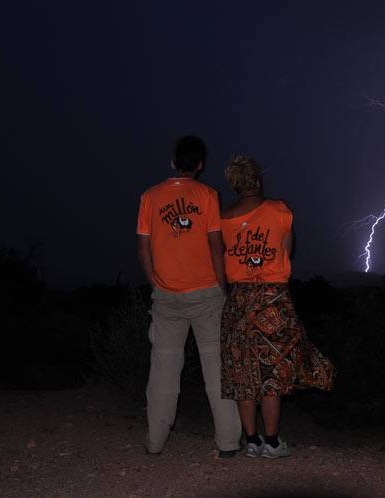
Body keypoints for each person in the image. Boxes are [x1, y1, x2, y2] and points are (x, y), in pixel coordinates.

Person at [220, 155, 335, 459]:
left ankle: (252, 441)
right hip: (273, 299)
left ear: (233, 183)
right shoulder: (279, 210)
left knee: (244, 373)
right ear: (257, 180)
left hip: (239, 300)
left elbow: (222, 256)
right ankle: (272, 442)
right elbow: (288, 250)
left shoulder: (223, 218)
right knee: (271, 373)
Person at [136, 136, 241, 457]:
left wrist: (156, 284)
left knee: (163, 372)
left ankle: (155, 442)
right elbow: (215, 245)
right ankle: (227, 444)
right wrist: (223, 288)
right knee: (216, 370)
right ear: (200, 165)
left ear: (173, 162)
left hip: (166, 296)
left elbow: (144, 247)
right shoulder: (208, 195)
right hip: (207, 294)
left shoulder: (149, 197)